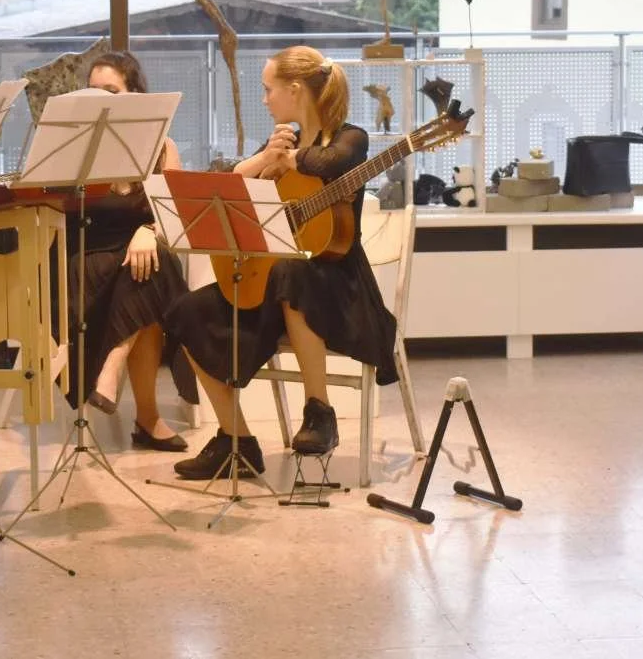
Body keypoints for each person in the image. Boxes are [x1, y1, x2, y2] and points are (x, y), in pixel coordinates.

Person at [165, 45, 398, 480]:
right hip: (274, 286)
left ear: (294, 90)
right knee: (187, 310)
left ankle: (319, 411)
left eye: (268, 89)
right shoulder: (280, 140)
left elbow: (333, 160)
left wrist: (290, 160)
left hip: (339, 289)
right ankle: (235, 441)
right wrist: (266, 159)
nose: (265, 99)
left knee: (294, 271)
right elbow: (226, 187)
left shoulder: (350, 137)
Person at [63, 50, 195, 451]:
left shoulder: (163, 147)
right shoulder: (75, 149)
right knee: (151, 275)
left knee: (151, 261)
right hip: (86, 260)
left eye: (111, 90)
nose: (101, 100)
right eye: (93, 92)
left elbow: (175, 215)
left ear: (135, 95)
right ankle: (146, 418)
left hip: (139, 260)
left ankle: (114, 364)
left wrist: (148, 230)